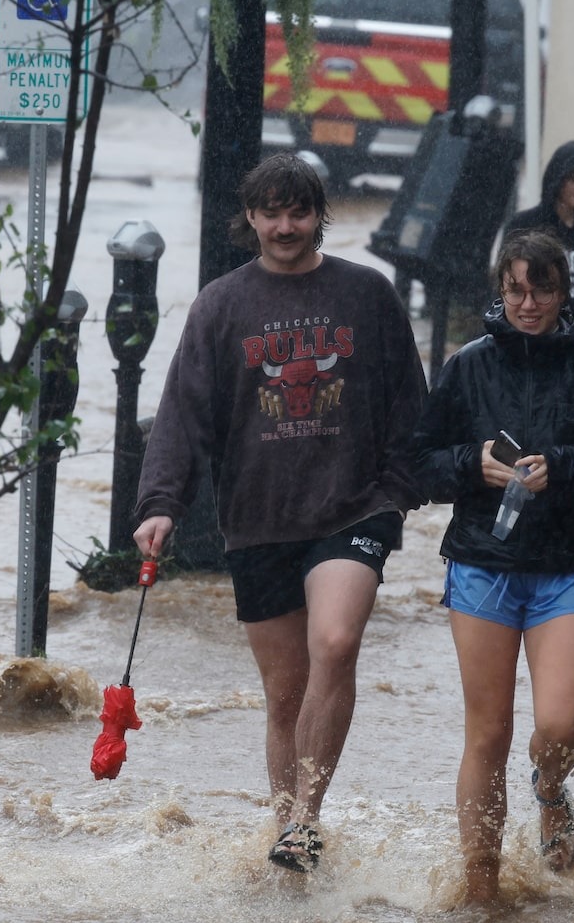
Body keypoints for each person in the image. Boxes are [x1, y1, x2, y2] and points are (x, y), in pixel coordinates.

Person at [133, 152, 428, 875]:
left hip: (352, 508)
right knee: (284, 692)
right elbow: (182, 414)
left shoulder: (367, 294)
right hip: (259, 517)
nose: (285, 225)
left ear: (318, 214)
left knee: (335, 642)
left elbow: (411, 404)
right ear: (251, 218)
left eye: (299, 211)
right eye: (271, 212)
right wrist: (160, 504)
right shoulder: (221, 305)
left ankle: (306, 817)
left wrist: (396, 489)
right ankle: (285, 840)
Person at [408, 230, 574, 906]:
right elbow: (418, 460)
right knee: (488, 731)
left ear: (563, 291)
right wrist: (471, 464)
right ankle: (481, 883)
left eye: (541, 289)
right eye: (515, 288)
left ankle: (549, 789)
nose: (528, 302)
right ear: (500, 289)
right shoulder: (467, 366)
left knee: (560, 726)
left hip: (566, 566)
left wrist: (565, 468)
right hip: (483, 563)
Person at [501, 141, 574, 341]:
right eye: (573, 179)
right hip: (536, 338)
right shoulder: (525, 224)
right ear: (557, 179)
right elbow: (505, 285)